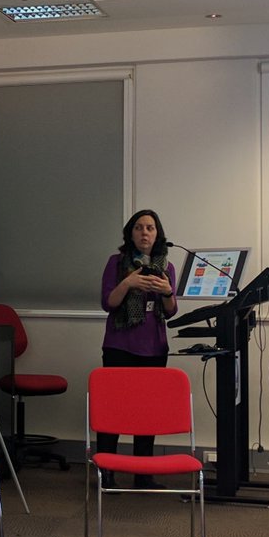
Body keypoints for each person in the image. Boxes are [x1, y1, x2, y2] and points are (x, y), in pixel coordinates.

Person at [99, 208, 178, 489]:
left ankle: (143, 474)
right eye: (139, 228)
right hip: (120, 346)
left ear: (157, 234)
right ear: (130, 234)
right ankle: (107, 471)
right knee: (113, 410)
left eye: (150, 228)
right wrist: (128, 282)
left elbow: (171, 311)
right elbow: (108, 303)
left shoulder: (166, 267)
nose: (145, 233)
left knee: (147, 412)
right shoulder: (116, 263)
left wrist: (166, 291)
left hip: (154, 347)